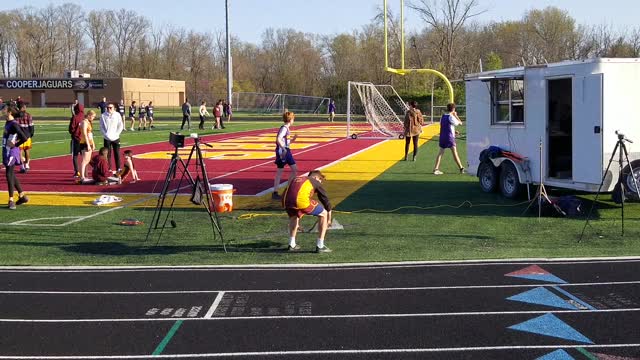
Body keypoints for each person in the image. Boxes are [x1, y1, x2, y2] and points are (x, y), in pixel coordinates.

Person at [282, 170, 333, 253]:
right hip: (300, 201)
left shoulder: (297, 178)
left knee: (294, 217)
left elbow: (293, 192)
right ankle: (320, 245)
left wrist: (297, 222)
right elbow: (325, 201)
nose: (320, 182)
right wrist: (329, 218)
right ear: (316, 177)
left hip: (285, 200)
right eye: (320, 179)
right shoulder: (314, 181)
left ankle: (292, 244)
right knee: (323, 213)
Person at [3, 106, 30, 209]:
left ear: (9, 112)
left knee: (8, 174)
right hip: (7, 151)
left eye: (4, 110)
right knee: (11, 174)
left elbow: (24, 137)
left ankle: (11, 200)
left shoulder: (14, 124)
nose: (2, 111)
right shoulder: (8, 122)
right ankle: (22, 195)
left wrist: (16, 145)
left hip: (11, 152)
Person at [272, 111, 298, 200]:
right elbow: (278, 139)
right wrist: (283, 149)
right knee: (280, 171)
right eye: (293, 119)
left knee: (294, 169)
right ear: (290, 119)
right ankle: (275, 192)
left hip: (286, 150)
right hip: (283, 152)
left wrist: (293, 140)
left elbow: (285, 141)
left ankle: (287, 189)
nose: (294, 120)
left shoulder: (287, 128)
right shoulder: (284, 128)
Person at [433, 102, 464, 175]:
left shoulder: (443, 116)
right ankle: (461, 168)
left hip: (442, 137)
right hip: (449, 138)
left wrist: (454, 131)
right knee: (455, 153)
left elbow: (445, 125)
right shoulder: (451, 117)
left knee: (440, 153)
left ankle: (436, 169)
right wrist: (456, 115)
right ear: (453, 109)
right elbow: (460, 123)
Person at [100, 102, 124, 172]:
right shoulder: (103, 115)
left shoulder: (117, 115)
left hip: (116, 137)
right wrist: (105, 134)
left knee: (117, 153)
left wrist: (117, 134)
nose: (109, 109)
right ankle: (109, 168)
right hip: (107, 138)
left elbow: (120, 125)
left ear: (114, 108)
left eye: (110, 108)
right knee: (107, 154)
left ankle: (118, 168)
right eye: (107, 108)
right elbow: (101, 127)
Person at [78, 110, 96, 182]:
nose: (93, 118)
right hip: (85, 143)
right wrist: (88, 144)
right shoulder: (84, 122)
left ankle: (86, 175)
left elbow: (90, 134)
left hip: (89, 142)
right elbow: (85, 134)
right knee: (85, 160)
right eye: (93, 116)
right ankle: (82, 177)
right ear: (89, 115)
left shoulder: (89, 122)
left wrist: (93, 143)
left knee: (88, 160)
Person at [68, 103, 85, 177]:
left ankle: (77, 171)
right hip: (84, 139)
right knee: (85, 156)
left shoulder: (75, 117)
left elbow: (71, 129)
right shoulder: (84, 117)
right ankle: (86, 171)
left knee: (75, 156)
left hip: (76, 139)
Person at [17, 104, 34, 173]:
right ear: (23, 108)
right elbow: (31, 126)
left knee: (20, 152)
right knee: (26, 150)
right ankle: (27, 165)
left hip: (19, 136)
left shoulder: (17, 116)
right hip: (27, 135)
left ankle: (22, 167)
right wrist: (31, 134)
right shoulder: (28, 115)